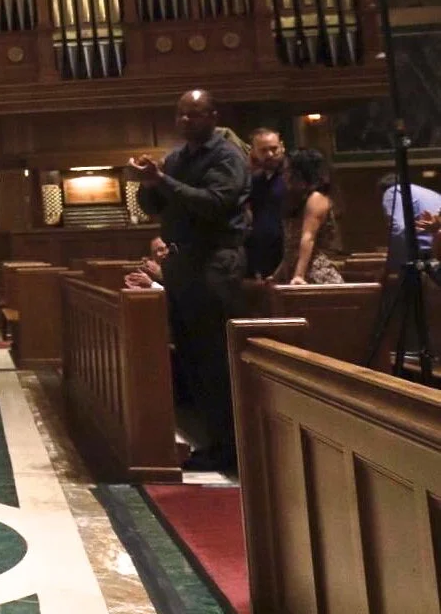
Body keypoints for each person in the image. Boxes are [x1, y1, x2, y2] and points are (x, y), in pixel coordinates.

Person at [130, 89, 249, 472]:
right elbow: (154, 207)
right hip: (182, 263)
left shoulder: (227, 156)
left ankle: (232, 447)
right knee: (191, 356)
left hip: (215, 261)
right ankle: (212, 440)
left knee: (215, 358)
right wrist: (149, 184)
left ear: (213, 116)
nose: (185, 121)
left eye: (194, 115)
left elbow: (214, 203)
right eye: (181, 114)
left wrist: (162, 179)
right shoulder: (177, 158)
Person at [275, 149, 345, 285]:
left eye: (288, 170)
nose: (284, 175)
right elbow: (291, 246)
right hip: (295, 270)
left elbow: (308, 238)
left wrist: (299, 275)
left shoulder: (316, 198)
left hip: (315, 272)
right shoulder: (297, 199)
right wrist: (277, 274)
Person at [244, 128, 287, 278]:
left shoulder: (293, 178)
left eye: (274, 149)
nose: (269, 154)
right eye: (263, 150)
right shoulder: (254, 180)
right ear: (253, 152)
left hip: (287, 250)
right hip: (262, 252)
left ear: (282, 147)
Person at [380, 172, 441, 272]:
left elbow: (399, 229)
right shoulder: (433, 194)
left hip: (423, 256)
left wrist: (392, 266)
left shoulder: (392, 191)